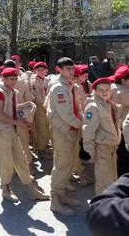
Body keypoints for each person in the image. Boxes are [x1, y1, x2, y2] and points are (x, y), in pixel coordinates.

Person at [0, 68, 49, 203]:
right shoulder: (0, 92)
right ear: (3, 79)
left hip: (11, 129)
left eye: (15, 78)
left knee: (21, 159)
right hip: (2, 131)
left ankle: (31, 190)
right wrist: (18, 122)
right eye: (11, 79)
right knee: (6, 161)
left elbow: (9, 108)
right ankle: (5, 189)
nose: (14, 81)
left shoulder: (10, 90)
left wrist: (25, 107)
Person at [46, 57, 83, 216]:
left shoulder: (69, 85)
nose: (71, 71)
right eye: (67, 68)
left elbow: (76, 107)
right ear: (59, 69)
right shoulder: (59, 88)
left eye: (72, 68)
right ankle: (55, 200)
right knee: (62, 164)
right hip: (63, 130)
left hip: (71, 128)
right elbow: (66, 114)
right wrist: (82, 125)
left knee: (68, 163)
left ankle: (61, 193)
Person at [83, 77, 121, 195]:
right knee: (104, 181)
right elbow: (88, 131)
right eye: (101, 90)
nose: (105, 92)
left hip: (112, 147)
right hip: (102, 148)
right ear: (94, 90)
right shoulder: (93, 107)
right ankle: (101, 208)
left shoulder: (110, 104)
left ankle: (110, 205)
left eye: (107, 89)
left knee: (112, 179)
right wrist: (90, 152)